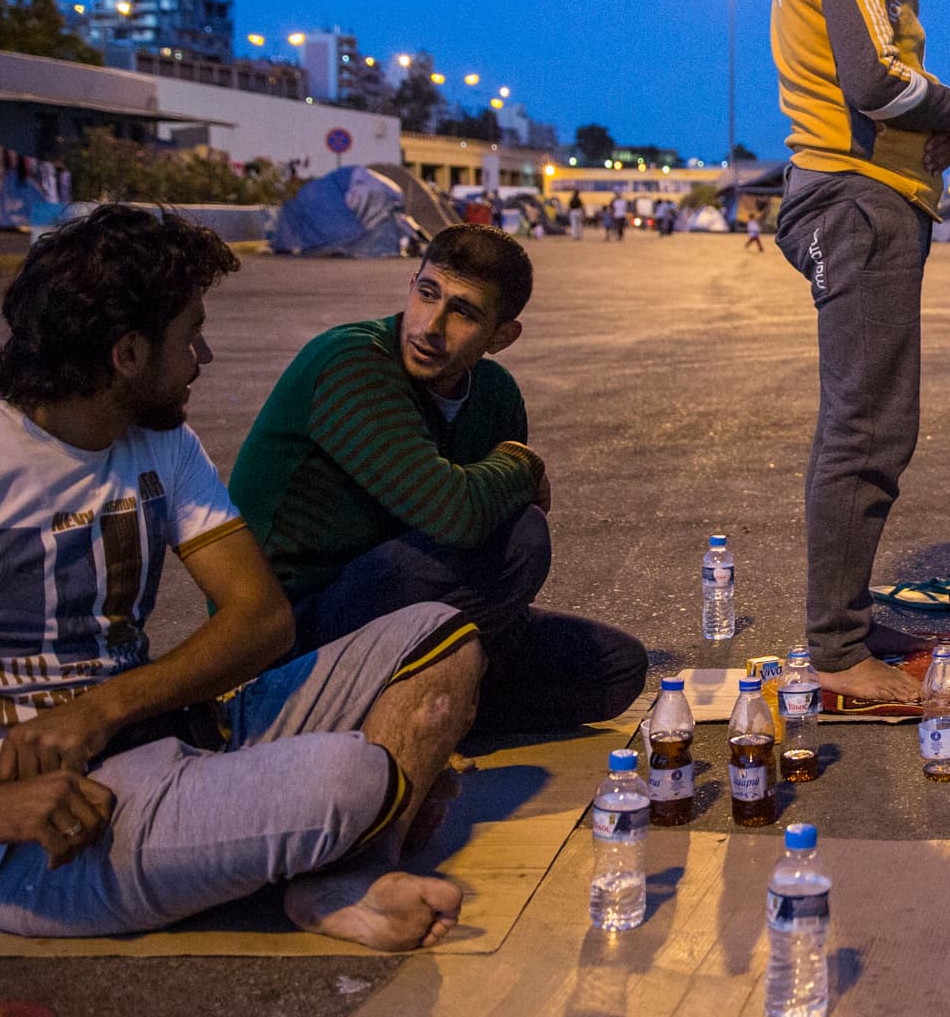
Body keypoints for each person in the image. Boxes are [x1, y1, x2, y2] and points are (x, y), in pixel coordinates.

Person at [0, 206, 479, 949]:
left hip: (163, 733)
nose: (203, 356)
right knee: (351, 776)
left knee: (437, 634)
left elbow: (259, 619)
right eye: (190, 335)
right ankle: (341, 845)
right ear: (129, 354)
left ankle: (342, 870)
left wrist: (101, 709)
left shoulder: (160, 446)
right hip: (45, 838)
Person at [228, 225, 646, 736]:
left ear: (501, 336)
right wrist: (523, 464)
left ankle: (432, 697)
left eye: (463, 312)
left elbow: (476, 546)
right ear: (411, 284)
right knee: (523, 540)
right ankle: (376, 708)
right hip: (296, 632)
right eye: (427, 294)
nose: (429, 326)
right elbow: (457, 513)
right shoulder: (350, 362)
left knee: (616, 668)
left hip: (403, 603)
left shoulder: (494, 396)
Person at [769, 0, 950, 705]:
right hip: (853, 201)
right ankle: (836, 654)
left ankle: (847, 625)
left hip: (874, 201)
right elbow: (872, 79)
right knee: (866, 428)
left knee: (879, 424)